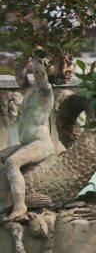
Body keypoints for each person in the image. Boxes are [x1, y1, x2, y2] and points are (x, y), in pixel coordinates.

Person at [1, 58, 55, 221]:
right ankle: (4, 199)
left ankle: (20, 206)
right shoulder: (29, 90)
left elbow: (39, 74)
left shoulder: (46, 91)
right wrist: (26, 53)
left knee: (12, 162)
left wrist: (37, 55)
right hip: (26, 143)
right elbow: (19, 73)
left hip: (41, 144)